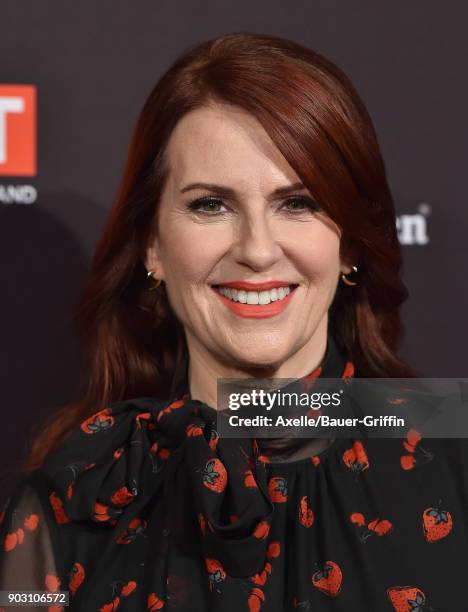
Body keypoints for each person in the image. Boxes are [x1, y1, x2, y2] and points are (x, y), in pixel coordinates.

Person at [1, 32, 467, 612]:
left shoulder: (455, 454)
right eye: (210, 205)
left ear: (350, 245)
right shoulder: (77, 498)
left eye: (298, 203)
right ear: (152, 246)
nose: (257, 250)